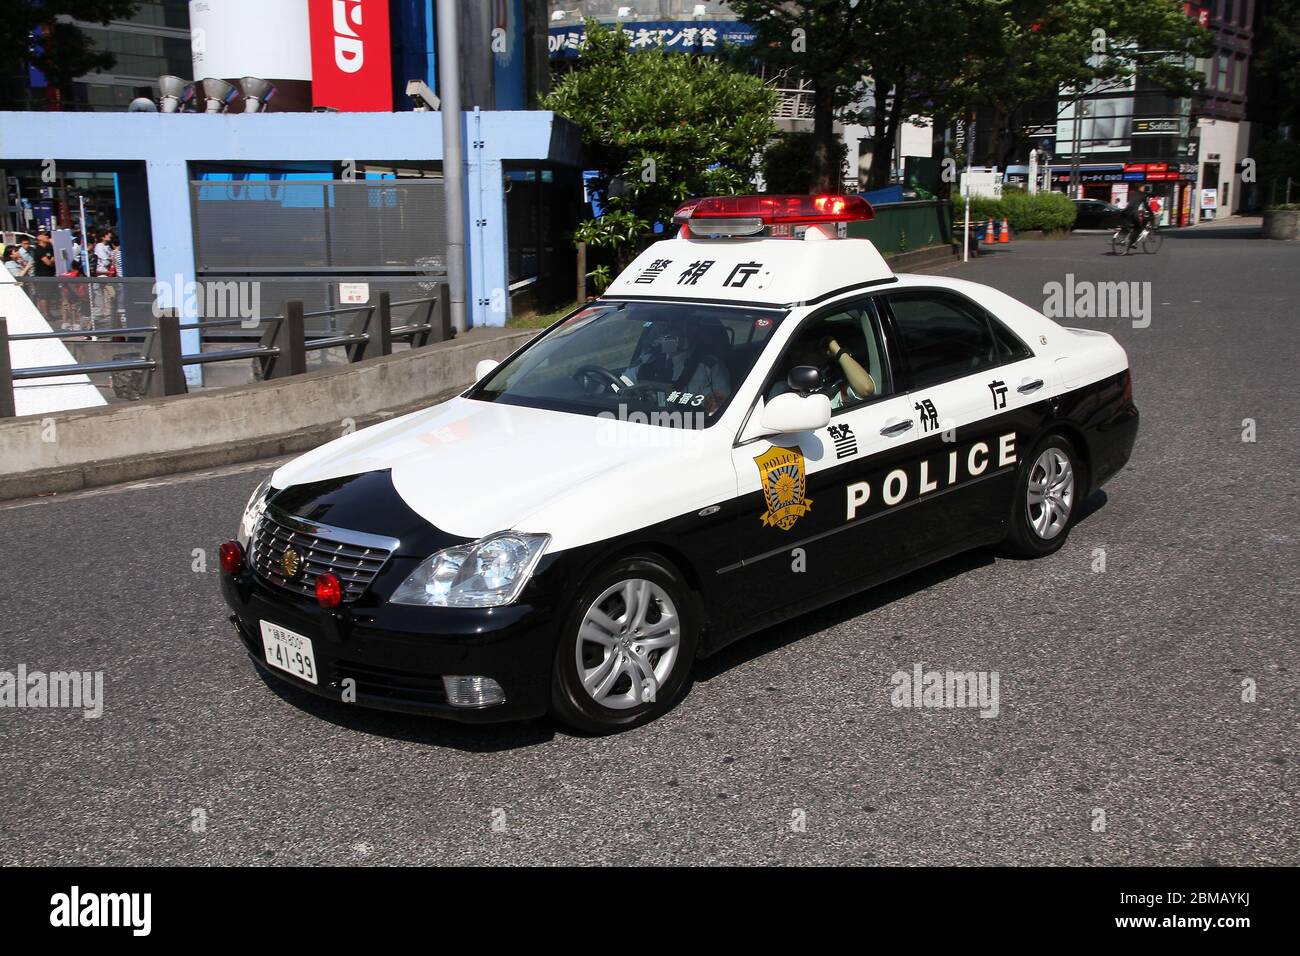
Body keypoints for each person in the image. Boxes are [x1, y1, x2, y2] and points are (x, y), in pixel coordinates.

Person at [627, 319, 732, 412]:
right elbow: (620, 385)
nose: (666, 332)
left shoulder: (710, 368)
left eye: (675, 326)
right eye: (663, 327)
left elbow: (716, 410)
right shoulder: (647, 362)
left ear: (691, 330)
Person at [769, 334, 876, 409]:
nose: (800, 352)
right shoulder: (783, 388)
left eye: (809, 346)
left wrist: (837, 350)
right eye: (797, 347)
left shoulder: (840, 380)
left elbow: (866, 389)